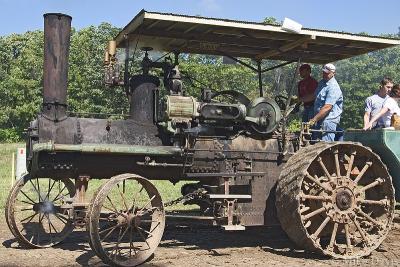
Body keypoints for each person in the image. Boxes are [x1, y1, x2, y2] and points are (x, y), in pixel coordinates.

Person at [308, 63, 343, 141]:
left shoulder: (333, 87)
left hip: (329, 120)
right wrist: (299, 100)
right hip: (320, 119)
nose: (324, 74)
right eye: (323, 72)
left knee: (326, 144)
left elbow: (328, 107)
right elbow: (314, 96)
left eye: (327, 73)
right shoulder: (322, 83)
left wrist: (314, 120)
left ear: (333, 73)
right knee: (316, 143)